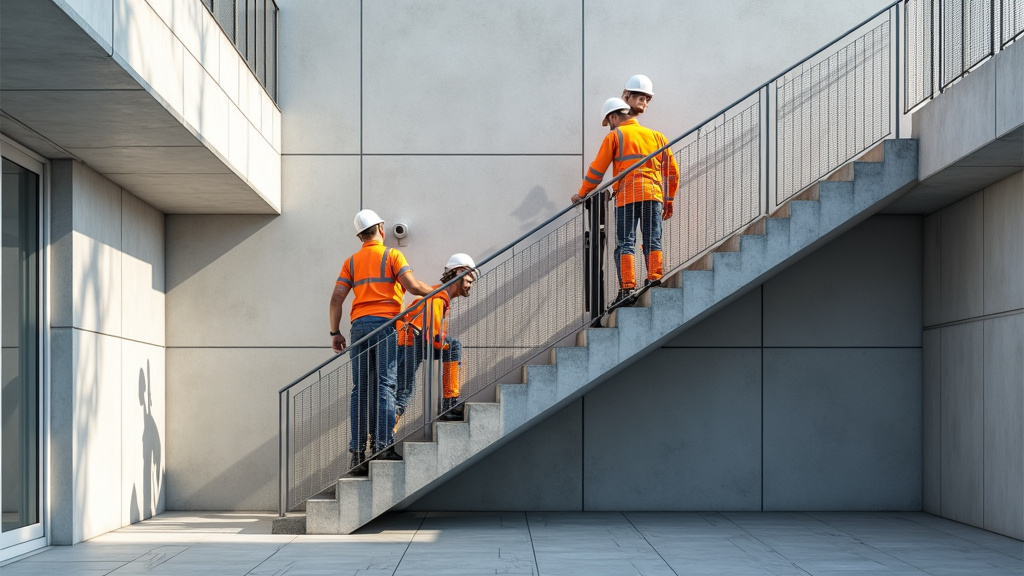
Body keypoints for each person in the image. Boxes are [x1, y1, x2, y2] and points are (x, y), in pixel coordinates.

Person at [329, 209, 433, 476]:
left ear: (360, 235)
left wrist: (334, 333)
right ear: (381, 229)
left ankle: (357, 454)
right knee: (385, 384)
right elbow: (411, 286)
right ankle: (383, 447)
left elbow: (336, 299)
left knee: (360, 389)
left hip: (358, 328)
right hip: (386, 325)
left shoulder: (351, 262)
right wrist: (438, 290)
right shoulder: (392, 255)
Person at [571, 96, 679, 306]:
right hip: (652, 196)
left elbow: (596, 171)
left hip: (627, 197)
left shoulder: (616, 136)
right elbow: (672, 172)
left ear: (613, 117)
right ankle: (654, 279)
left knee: (626, 243)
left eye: (608, 122)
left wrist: (582, 193)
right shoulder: (657, 137)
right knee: (652, 239)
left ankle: (627, 288)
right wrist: (669, 200)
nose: (609, 127)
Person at [394, 253, 476, 432]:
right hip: (410, 342)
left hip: (412, 341)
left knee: (402, 392)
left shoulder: (438, 295)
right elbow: (433, 337)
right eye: (470, 279)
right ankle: (383, 440)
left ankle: (450, 402)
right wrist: (445, 346)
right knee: (403, 393)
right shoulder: (439, 297)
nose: (470, 285)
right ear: (459, 273)